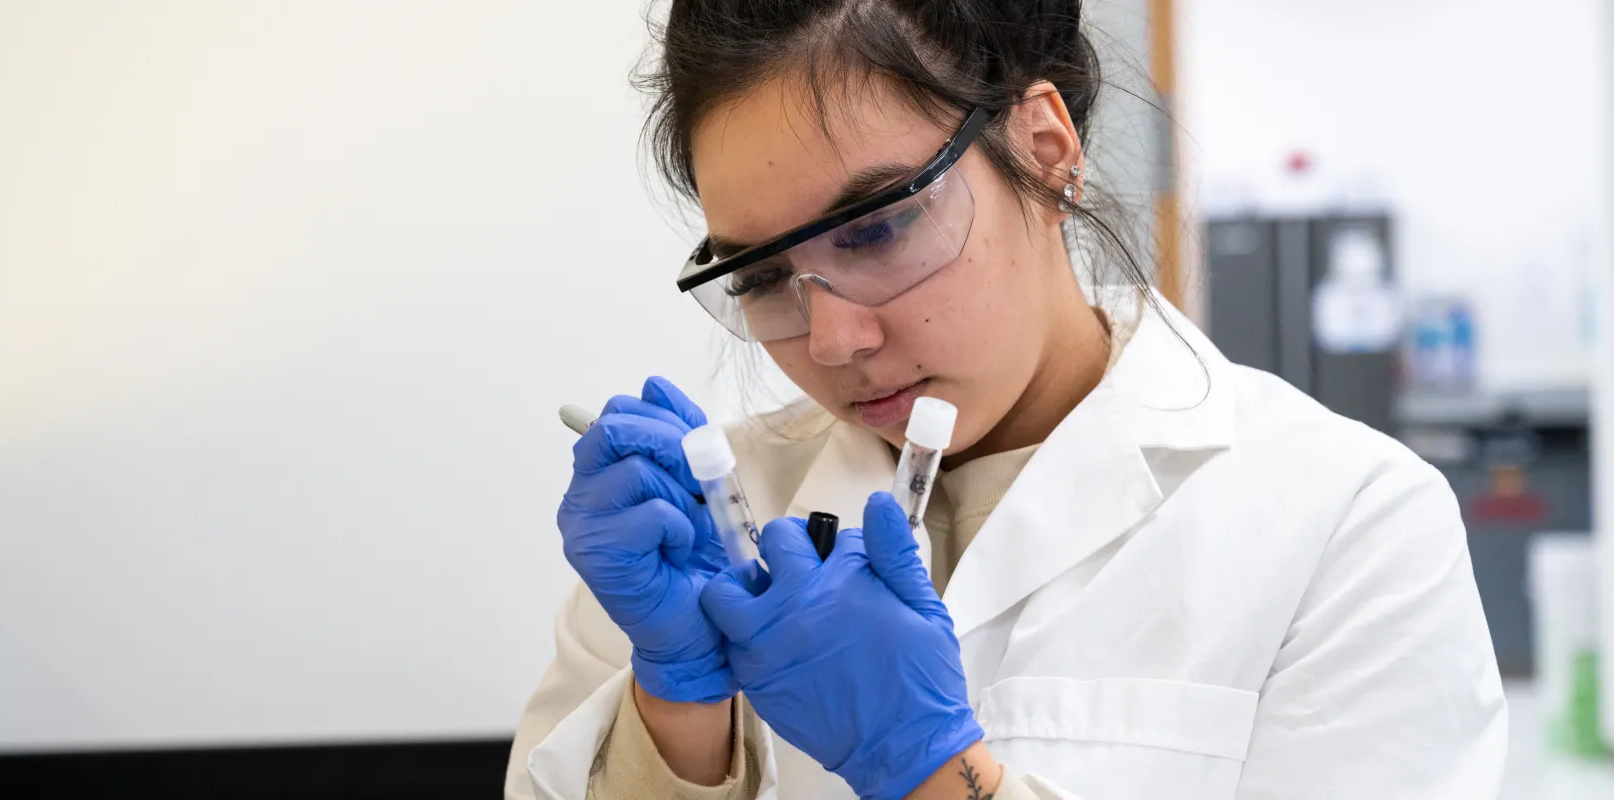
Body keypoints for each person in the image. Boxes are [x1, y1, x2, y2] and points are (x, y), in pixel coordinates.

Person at [506, 1, 1507, 797]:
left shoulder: (1347, 523)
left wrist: (931, 770)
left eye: (873, 230)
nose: (832, 339)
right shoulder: (689, 538)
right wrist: (675, 721)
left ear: (1041, 149)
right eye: (763, 276)